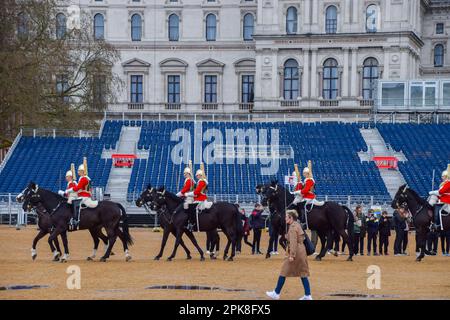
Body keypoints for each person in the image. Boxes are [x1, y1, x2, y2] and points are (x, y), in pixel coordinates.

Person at [266, 210, 312, 300]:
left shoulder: (292, 227)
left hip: (295, 252)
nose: (285, 218)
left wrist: (292, 255)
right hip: (301, 251)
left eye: (286, 217)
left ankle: (276, 293)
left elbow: (294, 242)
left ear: (291, 218)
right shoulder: (297, 224)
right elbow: (300, 237)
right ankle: (308, 295)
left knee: (283, 271)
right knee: (303, 273)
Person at [63, 163, 96, 231]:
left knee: (75, 204)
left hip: (84, 196)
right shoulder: (85, 178)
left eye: (79, 171)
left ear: (82, 171)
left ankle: (76, 220)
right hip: (84, 195)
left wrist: (68, 190)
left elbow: (77, 188)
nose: (78, 172)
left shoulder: (84, 179)